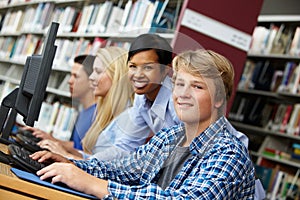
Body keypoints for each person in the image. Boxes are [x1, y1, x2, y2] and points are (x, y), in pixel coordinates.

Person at [31, 49, 255, 199]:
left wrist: (94, 185)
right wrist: (72, 165)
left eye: (197, 87)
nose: (183, 94)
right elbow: (125, 169)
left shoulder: (229, 153)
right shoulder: (171, 137)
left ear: (219, 99)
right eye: (179, 84)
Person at [85, 33, 182, 160]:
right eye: (133, 66)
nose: (137, 75)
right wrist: (87, 163)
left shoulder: (178, 100)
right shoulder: (141, 99)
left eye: (147, 67)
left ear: (165, 70)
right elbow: (127, 146)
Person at [36, 46, 134, 159]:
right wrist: (60, 150)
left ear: (116, 75)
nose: (91, 77)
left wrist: (66, 155)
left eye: (98, 71)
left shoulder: (127, 119)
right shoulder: (105, 113)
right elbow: (93, 157)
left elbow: (107, 169)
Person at [23, 54, 97, 152]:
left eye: (76, 76)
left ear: (92, 81)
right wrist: (49, 138)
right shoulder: (83, 109)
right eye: (71, 75)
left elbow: (87, 154)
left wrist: (55, 143)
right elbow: (77, 146)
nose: (69, 81)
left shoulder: (98, 115)